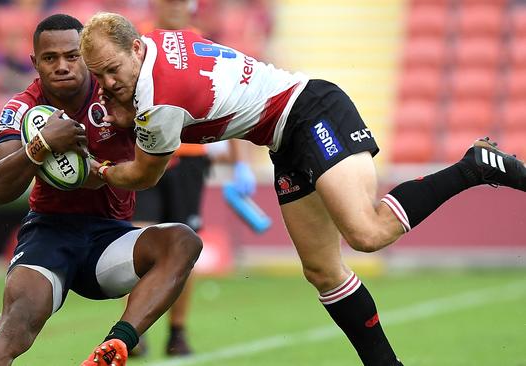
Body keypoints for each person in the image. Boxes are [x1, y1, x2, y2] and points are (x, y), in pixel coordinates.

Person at [78, 12, 526, 366]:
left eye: (114, 70)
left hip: (311, 112)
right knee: (323, 272)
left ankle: (472, 167)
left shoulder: (159, 97)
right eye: (99, 76)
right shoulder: (153, 48)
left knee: (366, 234)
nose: (109, 83)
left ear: (136, 47)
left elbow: (143, 175)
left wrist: (98, 171)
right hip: (284, 139)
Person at [0, 14, 202, 366]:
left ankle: (116, 347)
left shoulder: (117, 92)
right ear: (35, 63)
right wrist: (42, 143)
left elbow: (158, 157)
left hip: (109, 240)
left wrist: (130, 132)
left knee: (182, 241)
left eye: (72, 56)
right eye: (50, 59)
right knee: (13, 329)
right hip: (49, 234)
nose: (62, 66)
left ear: (86, 55)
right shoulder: (22, 107)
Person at [129, 0, 256, 357]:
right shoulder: (140, 41)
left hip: (190, 159)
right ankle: (135, 329)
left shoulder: (205, 46)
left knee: (183, 246)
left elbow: (228, 102)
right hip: (147, 153)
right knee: (139, 242)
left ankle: (178, 331)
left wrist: (238, 161)